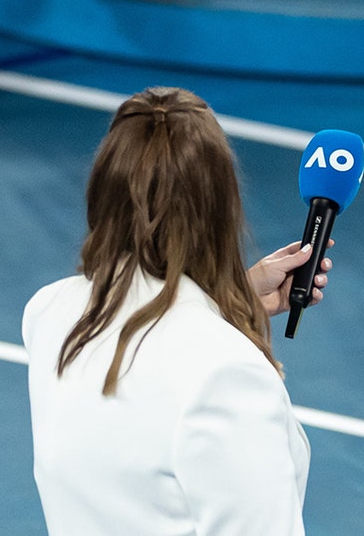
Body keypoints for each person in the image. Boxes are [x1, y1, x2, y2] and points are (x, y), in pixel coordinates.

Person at [22, 86, 332, 536]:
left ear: (103, 193)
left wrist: (229, 300)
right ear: (220, 209)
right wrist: (229, 324)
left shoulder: (48, 313)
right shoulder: (228, 373)